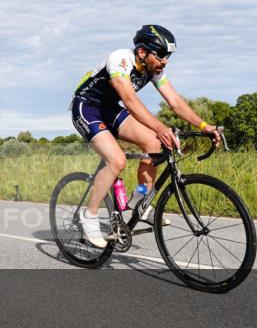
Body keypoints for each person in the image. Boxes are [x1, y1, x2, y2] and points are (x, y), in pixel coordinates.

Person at [71, 25, 220, 248]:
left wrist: (204, 125)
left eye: (168, 56)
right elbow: (130, 101)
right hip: (87, 108)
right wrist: (161, 127)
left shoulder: (154, 70)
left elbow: (175, 102)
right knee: (117, 160)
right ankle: (89, 217)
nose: (165, 61)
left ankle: (140, 199)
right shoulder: (121, 60)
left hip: (110, 109)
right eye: (161, 55)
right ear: (142, 52)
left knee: (154, 143)